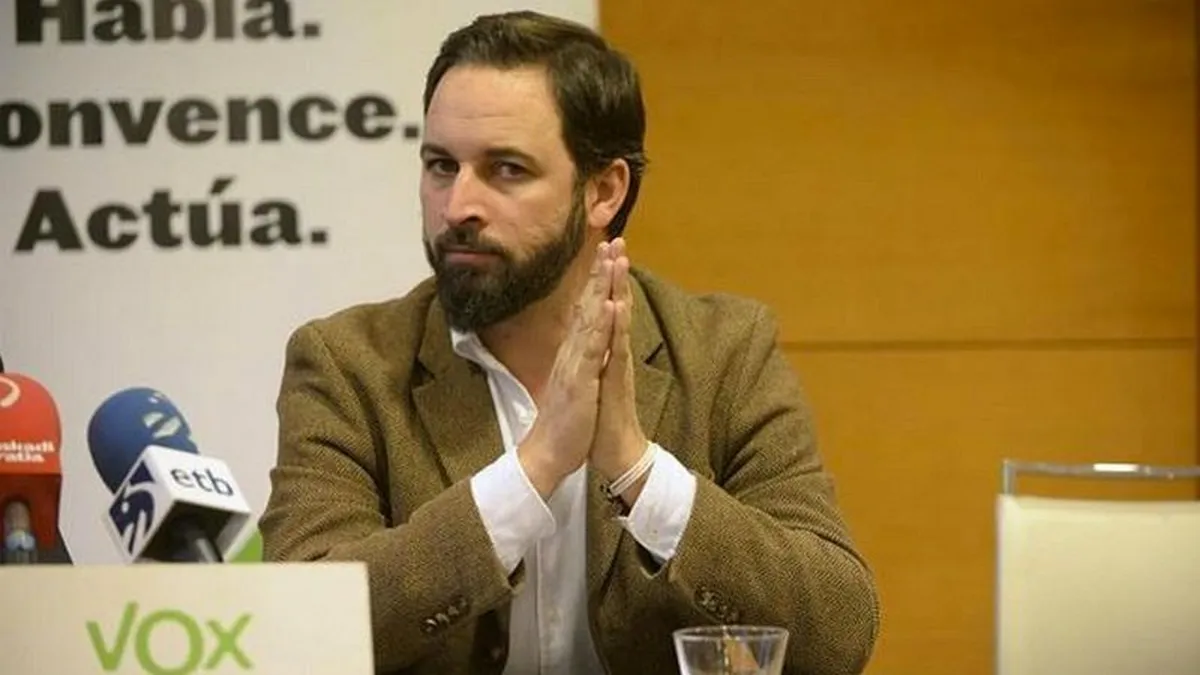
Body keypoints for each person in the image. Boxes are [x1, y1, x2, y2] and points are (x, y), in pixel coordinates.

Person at [259, 10, 880, 675]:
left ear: (602, 191)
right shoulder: (348, 364)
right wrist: (531, 470)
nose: (457, 206)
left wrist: (639, 470)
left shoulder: (723, 353)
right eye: (441, 165)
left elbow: (837, 633)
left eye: (506, 169)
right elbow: (301, 629)